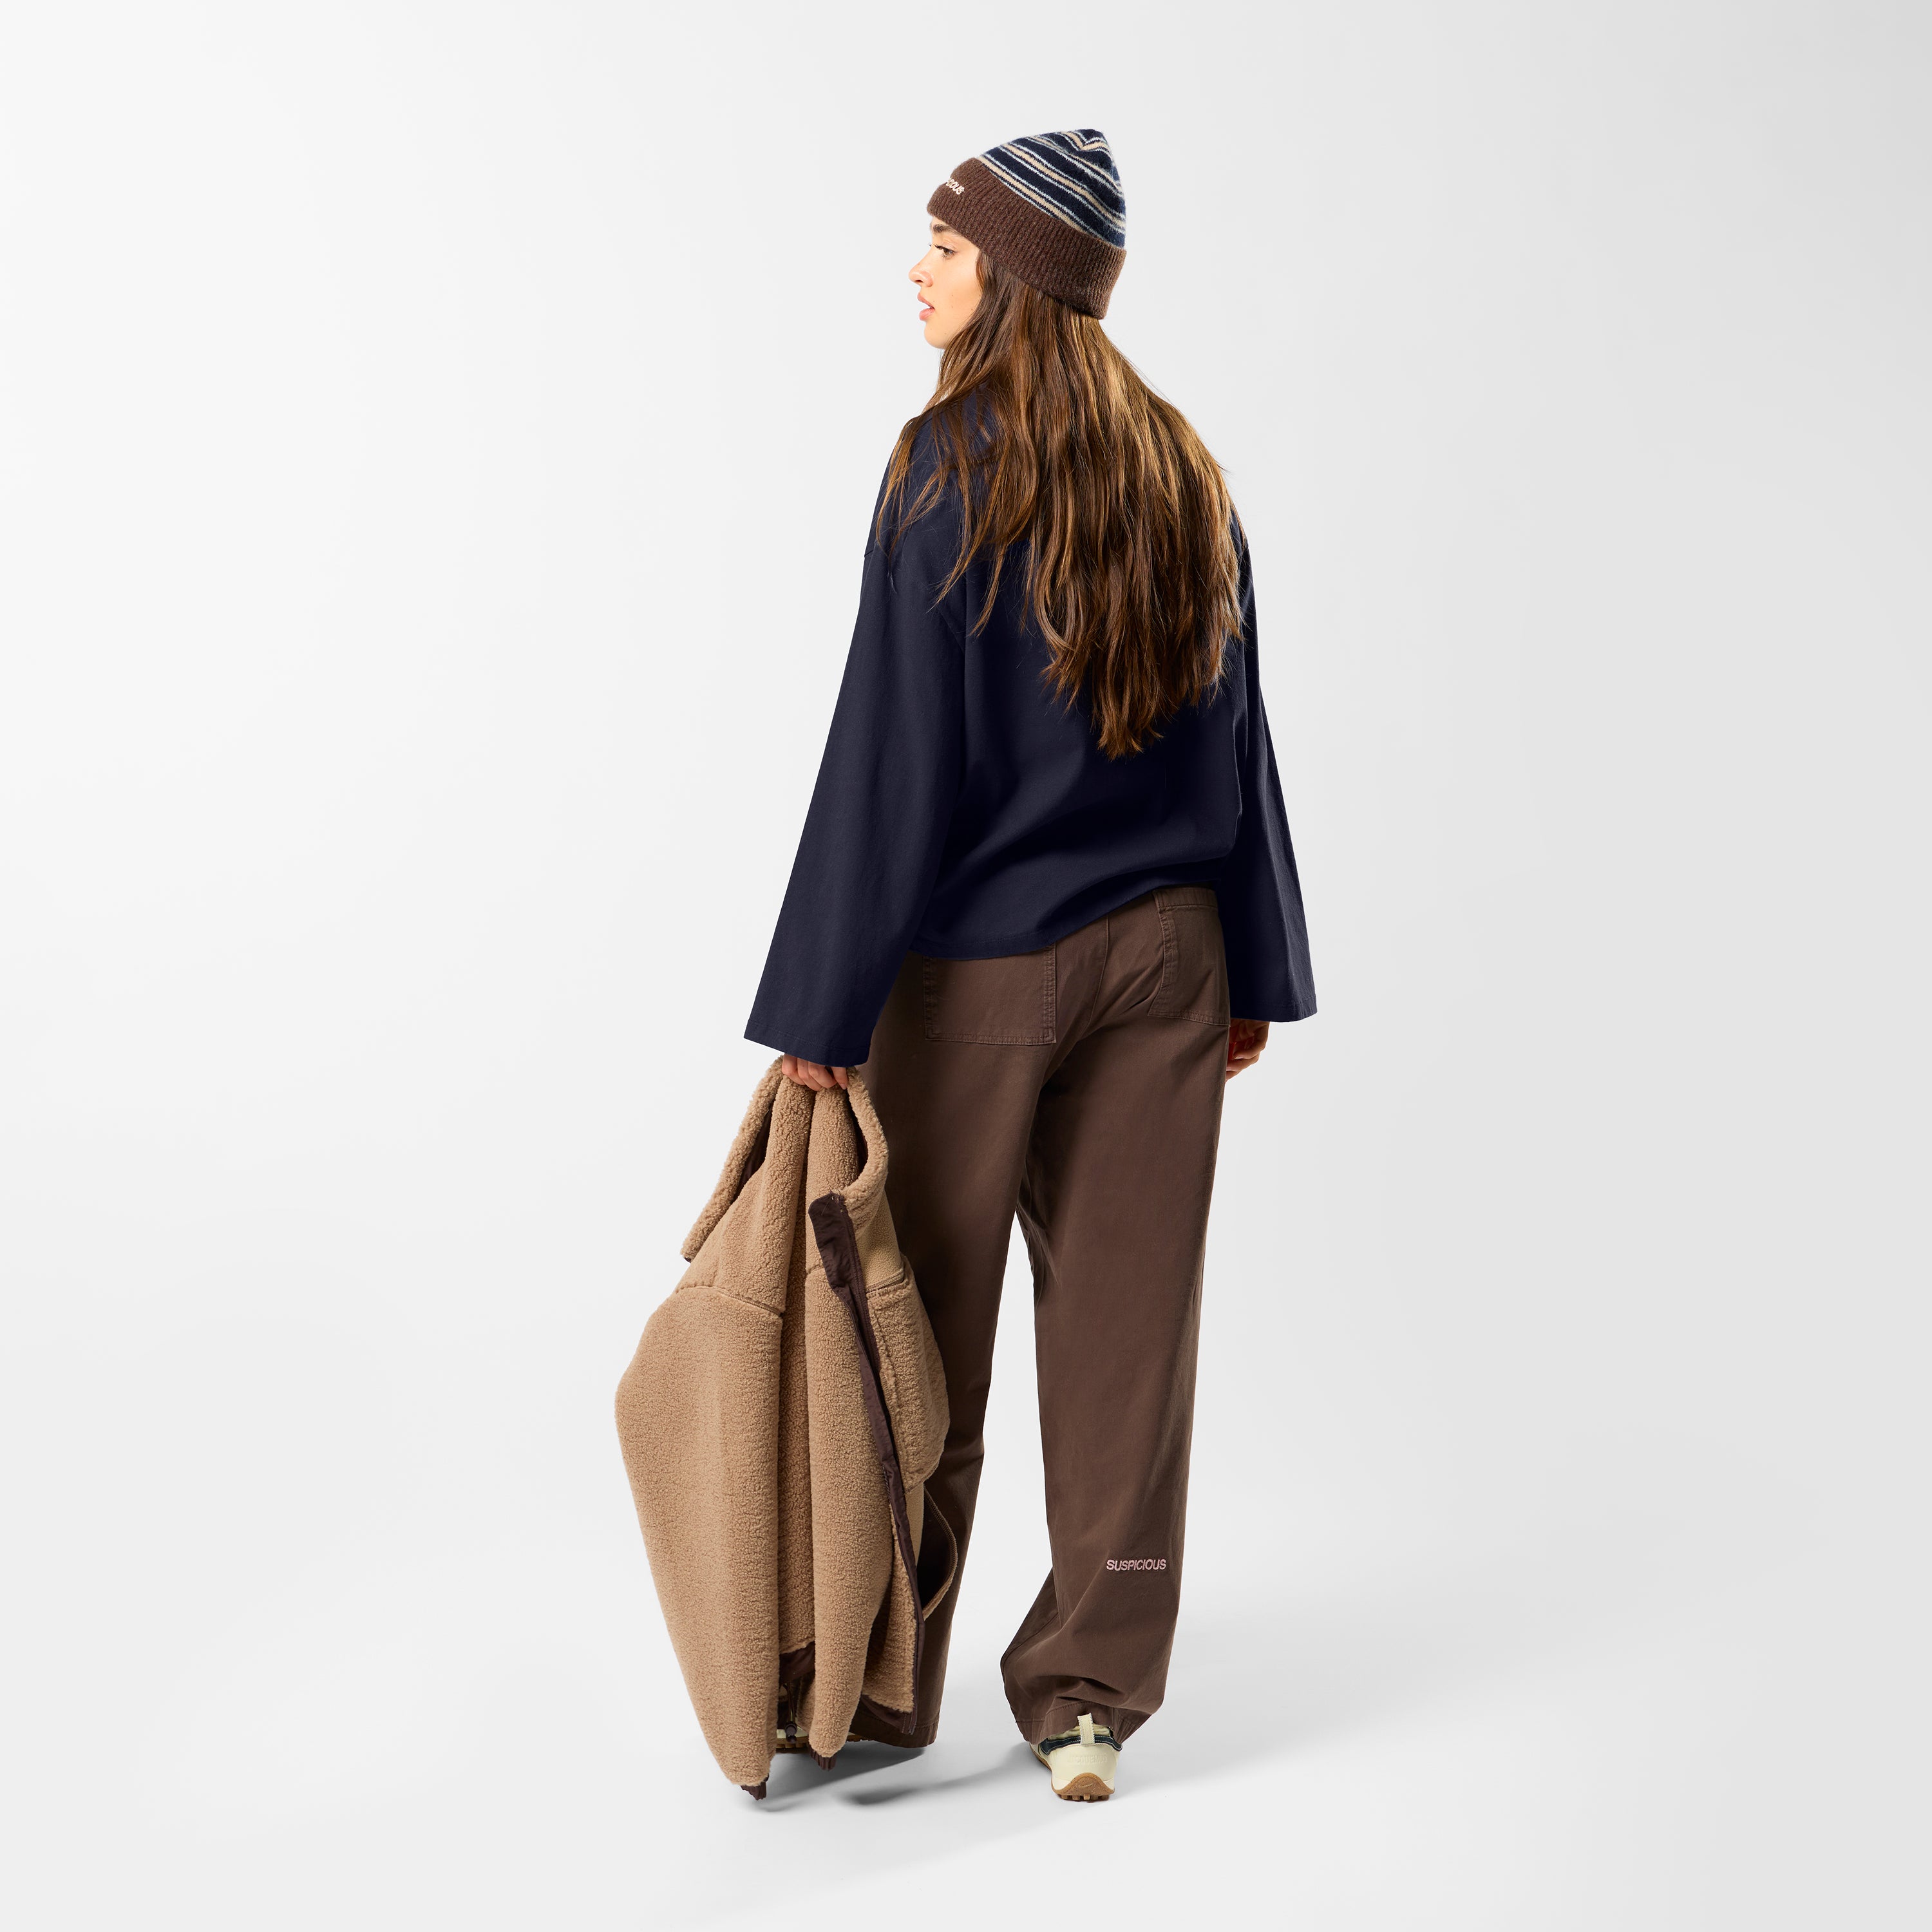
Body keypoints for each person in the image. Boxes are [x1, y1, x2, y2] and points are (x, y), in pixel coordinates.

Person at [744, 129, 1314, 1803]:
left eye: (947, 243)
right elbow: (1238, 736)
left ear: (1016, 274)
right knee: (1130, 1347)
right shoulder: (1183, 466)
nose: (919, 268)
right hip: (1168, 959)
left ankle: (869, 1689)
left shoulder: (943, 466)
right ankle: (1088, 1700)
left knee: (911, 1334)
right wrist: (1254, 966)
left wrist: (822, 1004)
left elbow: (891, 758)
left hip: (982, 973)